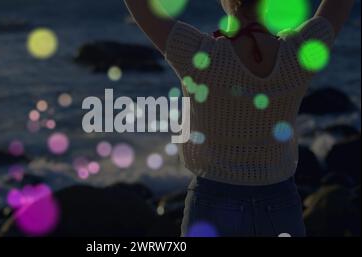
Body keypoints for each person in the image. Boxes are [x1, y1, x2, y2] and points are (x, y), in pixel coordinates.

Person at [124, 0, 355, 237]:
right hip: (279, 205)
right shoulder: (298, 54)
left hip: (212, 204)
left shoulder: (199, 54)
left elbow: (140, 6)